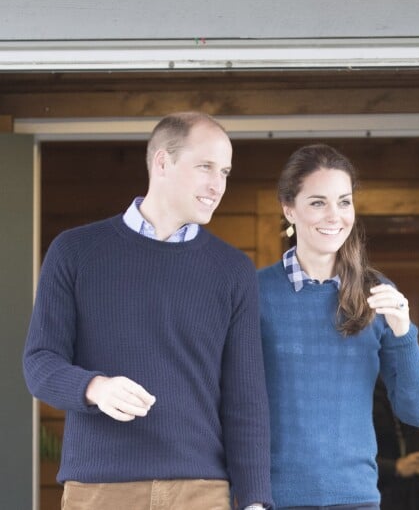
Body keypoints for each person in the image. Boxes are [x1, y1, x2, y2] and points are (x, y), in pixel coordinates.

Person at [23, 112, 272, 510]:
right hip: (100, 490)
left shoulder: (233, 270)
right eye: (205, 167)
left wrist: (256, 500)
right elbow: (39, 363)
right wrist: (95, 388)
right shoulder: (75, 252)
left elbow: (246, 400)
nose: (217, 185)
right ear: (162, 163)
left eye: (224, 171)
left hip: (200, 493)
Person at [258, 143, 419, 510]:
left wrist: (404, 332)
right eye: (318, 202)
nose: (334, 216)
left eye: (344, 201)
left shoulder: (378, 293)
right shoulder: (255, 292)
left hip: (356, 500)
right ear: (289, 209)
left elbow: (416, 411)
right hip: (273, 500)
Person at [373, 378, 419, 510]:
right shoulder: (351, 393)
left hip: (413, 496)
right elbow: (344, 459)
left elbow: (409, 442)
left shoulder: (405, 388)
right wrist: (395, 468)